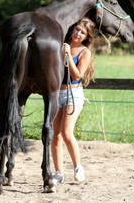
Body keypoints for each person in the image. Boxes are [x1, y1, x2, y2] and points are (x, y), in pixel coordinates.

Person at [51, 17, 96, 184]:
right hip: (57, 94)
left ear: (86, 36)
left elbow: (77, 74)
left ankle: (78, 167)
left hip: (73, 94)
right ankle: (58, 173)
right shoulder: (60, 44)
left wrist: (68, 55)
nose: (78, 33)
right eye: (77, 29)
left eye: (82, 32)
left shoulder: (85, 52)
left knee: (66, 133)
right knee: (54, 136)